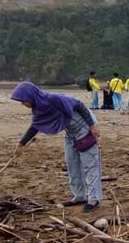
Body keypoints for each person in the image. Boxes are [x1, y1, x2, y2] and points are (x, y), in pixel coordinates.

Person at [11, 82, 102, 213]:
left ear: (31, 96)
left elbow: (79, 105)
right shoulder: (38, 110)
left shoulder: (54, 99)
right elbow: (35, 126)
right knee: (72, 163)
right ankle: (79, 196)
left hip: (84, 127)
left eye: (23, 100)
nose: (22, 104)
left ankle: (94, 199)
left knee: (90, 164)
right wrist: (21, 144)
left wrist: (92, 125)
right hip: (70, 132)